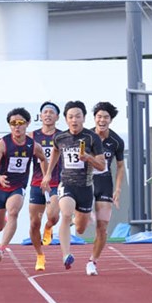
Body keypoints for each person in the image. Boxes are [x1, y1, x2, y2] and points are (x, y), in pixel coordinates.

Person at [41, 100, 105, 274]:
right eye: (70, 117)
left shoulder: (92, 138)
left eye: (77, 116)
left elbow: (102, 166)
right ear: (66, 119)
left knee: (80, 228)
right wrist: (48, 173)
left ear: (84, 118)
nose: (74, 120)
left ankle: (82, 218)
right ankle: (66, 255)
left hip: (85, 187)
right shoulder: (60, 137)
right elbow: (55, 151)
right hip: (67, 184)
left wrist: (88, 158)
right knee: (66, 214)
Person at [0, 108, 48, 267]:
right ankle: (4, 219)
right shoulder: (2, 144)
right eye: (13, 123)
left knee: (14, 212)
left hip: (17, 187)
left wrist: (45, 177)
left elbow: (43, 159)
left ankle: (1, 248)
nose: (17, 126)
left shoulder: (33, 145)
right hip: (0, 187)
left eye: (20, 123)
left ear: (27, 124)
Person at [90, 101, 125, 275]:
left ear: (110, 120)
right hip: (85, 183)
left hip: (104, 184)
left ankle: (92, 261)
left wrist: (117, 190)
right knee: (81, 225)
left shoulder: (116, 141)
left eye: (105, 117)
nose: (102, 120)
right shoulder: (86, 136)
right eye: (99, 117)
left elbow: (120, 167)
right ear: (94, 118)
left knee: (102, 226)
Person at [28, 101, 62, 269]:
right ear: (40, 116)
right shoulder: (32, 136)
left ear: (57, 117)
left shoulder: (62, 136)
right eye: (45, 112)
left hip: (56, 182)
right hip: (37, 183)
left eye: (51, 112)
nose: (48, 115)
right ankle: (40, 255)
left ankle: (49, 227)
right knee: (34, 223)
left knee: (53, 217)